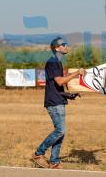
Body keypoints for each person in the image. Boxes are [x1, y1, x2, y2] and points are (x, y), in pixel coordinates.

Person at [30, 37, 86, 169]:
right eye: (64, 44)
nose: (67, 46)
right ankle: (38, 153)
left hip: (58, 100)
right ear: (57, 48)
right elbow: (60, 81)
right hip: (53, 102)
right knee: (60, 130)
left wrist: (69, 95)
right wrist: (77, 73)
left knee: (61, 132)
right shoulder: (53, 62)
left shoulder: (58, 63)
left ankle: (54, 161)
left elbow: (57, 87)